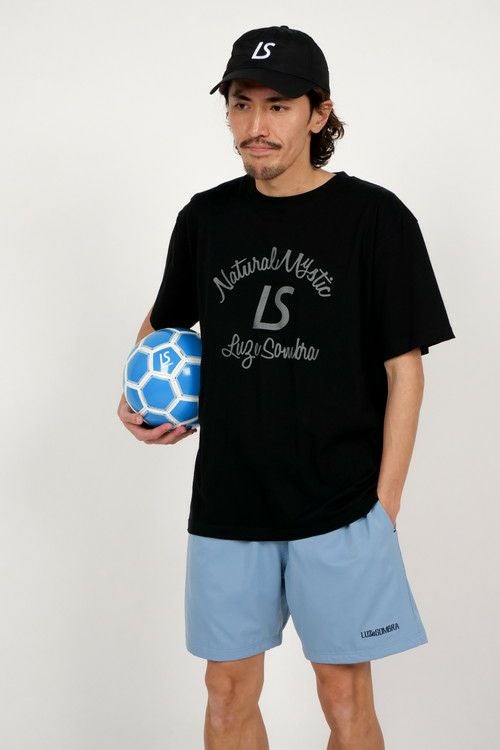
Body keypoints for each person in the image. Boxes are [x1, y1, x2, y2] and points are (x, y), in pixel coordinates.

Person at [117, 24, 456, 750]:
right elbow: (165, 320)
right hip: (229, 500)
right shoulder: (206, 218)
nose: (256, 125)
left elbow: (406, 370)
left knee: (344, 695)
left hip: (340, 503)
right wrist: (135, 389)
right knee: (225, 694)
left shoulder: (375, 219)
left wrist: (385, 507)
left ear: (319, 113)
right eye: (241, 104)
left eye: (277, 106)